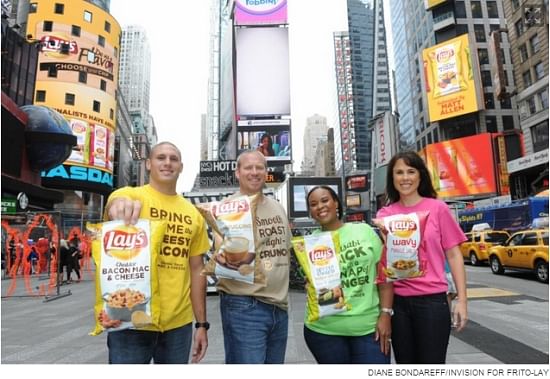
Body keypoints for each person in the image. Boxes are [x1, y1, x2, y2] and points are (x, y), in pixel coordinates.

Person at [101, 141, 210, 364]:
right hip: (129, 320)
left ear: (181, 167)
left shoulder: (193, 214)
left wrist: (201, 325)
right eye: (161, 157)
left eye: (174, 159)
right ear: (149, 164)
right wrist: (118, 206)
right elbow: (117, 200)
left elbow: (197, 270)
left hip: (178, 325)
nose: (167, 163)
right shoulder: (132, 195)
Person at [376, 151, 468, 364]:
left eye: (411, 171)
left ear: (420, 176)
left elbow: (454, 255)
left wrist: (462, 300)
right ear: (392, 178)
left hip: (433, 303)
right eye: (399, 172)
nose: (405, 177)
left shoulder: (438, 209)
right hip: (397, 304)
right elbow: (382, 261)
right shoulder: (385, 215)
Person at [303, 186, 393, 364]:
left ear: (336, 202)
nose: (320, 206)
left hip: (368, 329)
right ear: (311, 212)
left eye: (325, 200)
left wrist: (386, 314)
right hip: (324, 332)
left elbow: (384, 277)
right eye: (313, 204)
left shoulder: (364, 231)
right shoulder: (310, 243)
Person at [217, 150, 291, 364]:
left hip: (280, 307)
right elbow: (221, 253)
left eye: (260, 167)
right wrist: (225, 257)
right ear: (237, 173)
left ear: (266, 172)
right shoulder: (226, 208)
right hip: (245, 307)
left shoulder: (277, 206)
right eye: (248, 167)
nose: (255, 172)